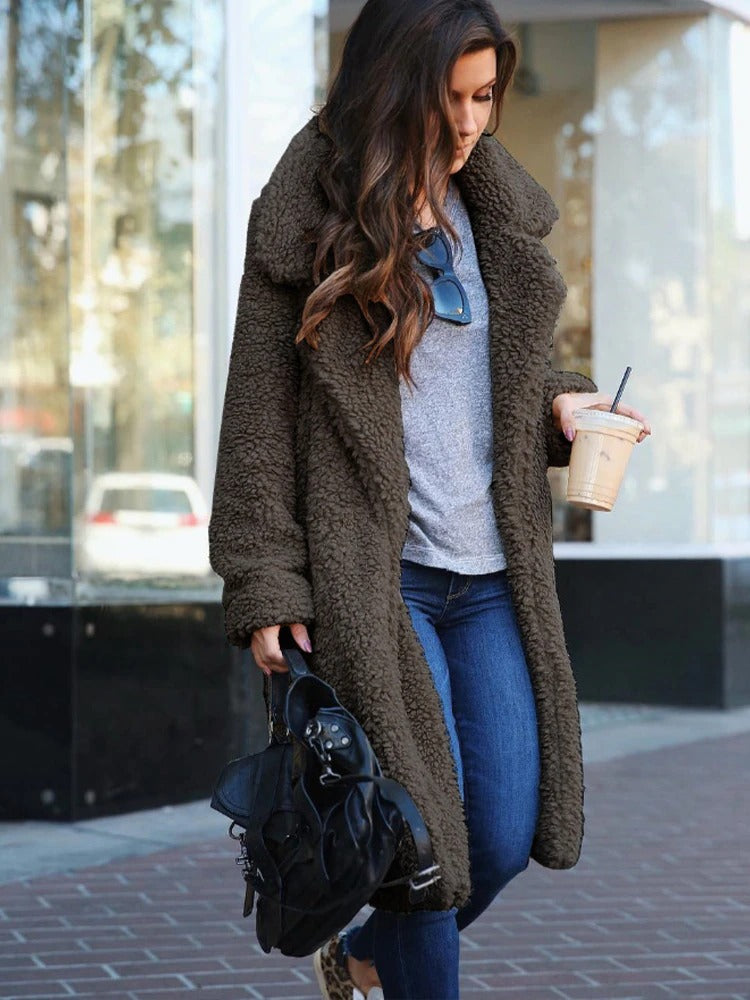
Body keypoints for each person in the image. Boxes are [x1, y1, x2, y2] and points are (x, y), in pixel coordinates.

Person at [208, 1, 652, 998]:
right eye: (449, 96)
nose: (468, 122)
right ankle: (399, 955)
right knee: (425, 848)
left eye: (485, 96)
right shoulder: (313, 213)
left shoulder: (489, 213)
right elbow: (256, 416)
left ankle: (363, 957)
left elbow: (490, 390)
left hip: (493, 578)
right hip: (379, 581)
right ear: (394, 85)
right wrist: (263, 578)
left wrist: (560, 414)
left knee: (493, 835)